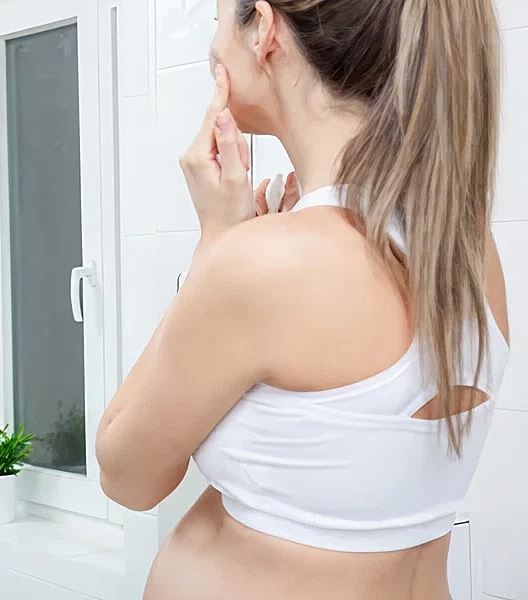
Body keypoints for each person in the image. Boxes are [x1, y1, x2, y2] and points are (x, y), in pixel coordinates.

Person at [96, 1, 509, 599]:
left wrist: (215, 244)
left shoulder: (265, 263)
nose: (213, 44)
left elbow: (125, 473)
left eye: (219, 17)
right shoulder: (466, 250)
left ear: (262, 28)